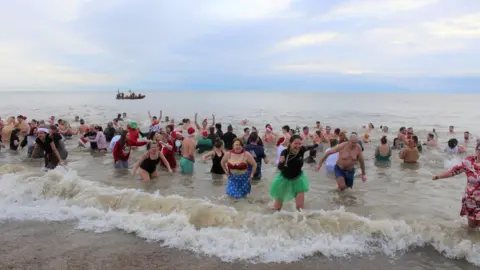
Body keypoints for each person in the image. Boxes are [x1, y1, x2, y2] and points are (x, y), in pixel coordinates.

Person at [432, 143, 480, 228]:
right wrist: (439, 176)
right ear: (476, 150)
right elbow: (454, 171)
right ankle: (468, 241)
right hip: (471, 200)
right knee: (472, 228)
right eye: (479, 150)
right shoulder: (469, 162)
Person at [270, 135, 317, 210]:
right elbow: (279, 167)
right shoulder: (285, 152)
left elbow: (310, 147)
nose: (298, 146)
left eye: (299, 143)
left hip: (298, 180)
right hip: (284, 180)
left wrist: (316, 144)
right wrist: (282, 162)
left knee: (300, 208)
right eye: (295, 143)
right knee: (277, 208)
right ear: (290, 143)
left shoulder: (301, 149)